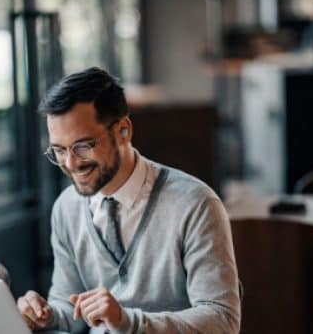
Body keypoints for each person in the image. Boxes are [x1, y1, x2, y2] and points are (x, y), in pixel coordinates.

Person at [17, 67, 241, 334]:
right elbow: (70, 307)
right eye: (59, 150)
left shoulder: (195, 204)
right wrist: (46, 314)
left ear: (123, 131)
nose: (71, 163)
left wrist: (128, 322)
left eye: (82, 146)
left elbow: (222, 321)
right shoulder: (66, 208)